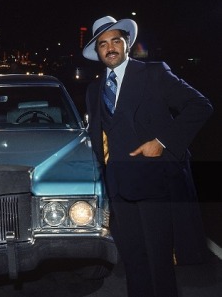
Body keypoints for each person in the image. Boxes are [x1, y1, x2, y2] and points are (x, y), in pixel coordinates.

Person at [83, 16, 213, 297]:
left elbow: (200, 106)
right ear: (98, 52)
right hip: (119, 189)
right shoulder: (94, 90)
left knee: (159, 262)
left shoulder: (153, 73)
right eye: (103, 44)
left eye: (116, 40)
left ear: (126, 43)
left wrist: (162, 142)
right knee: (134, 263)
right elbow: (99, 137)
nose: (110, 48)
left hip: (154, 184)